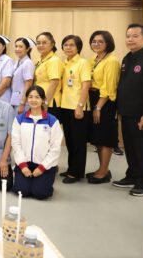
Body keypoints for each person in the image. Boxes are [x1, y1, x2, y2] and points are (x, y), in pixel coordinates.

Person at [113, 24, 143, 197]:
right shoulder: (127, 58)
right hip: (127, 112)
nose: (130, 39)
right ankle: (132, 175)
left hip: (142, 114)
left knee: (142, 148)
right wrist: (120, 109)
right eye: (128, 36)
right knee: (130, 147)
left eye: (135, 36)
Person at [11, 86, 63, 200]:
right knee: (21, 191)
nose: (33, 100)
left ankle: (42, 181)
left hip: (44, 164)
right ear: (26, 99)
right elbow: (16, 144)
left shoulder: (52, 121)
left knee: (40, 193)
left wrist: (42, 167)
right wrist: (23, 166)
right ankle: (27, 181)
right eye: (30, 97)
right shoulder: (19, 119)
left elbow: (55, 148)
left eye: (37, 97)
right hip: (24, 163)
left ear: (43, 100)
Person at [86, 30, 121, 184]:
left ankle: (104, 171)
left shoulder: (111, 61)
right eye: (94, 41)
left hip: (105, 102)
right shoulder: (93, 59)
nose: (96, 44)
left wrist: (98, 107)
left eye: (100, 41)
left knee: (105, 137)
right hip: (93, 98)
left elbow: (109, 88)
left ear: (108, 43)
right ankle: (102, 169)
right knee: (98, 137)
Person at [59, 35, 91, 184]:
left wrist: (80, 106)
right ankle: (71, 168)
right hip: (65, 106)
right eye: (65, 45)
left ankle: (76, 173)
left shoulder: (83, 63)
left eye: (72, 45)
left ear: (78, 47)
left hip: (78, 107)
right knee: (70, 141)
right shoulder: (64, 63)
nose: (68, 47)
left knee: (78, 142)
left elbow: (86, 85)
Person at [34, 32, 64, 118]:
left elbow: (54, 83)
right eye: (38, 43)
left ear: (52, 44)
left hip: (50, 103)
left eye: (44, 43)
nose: (41, 45)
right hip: (40, 100)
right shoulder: (40, 59)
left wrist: (45, 103)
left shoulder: (54, 60)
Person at [10, 37, 35, 114]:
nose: (17, 49)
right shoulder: (18, 62)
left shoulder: (27, 63)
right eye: (16, 46)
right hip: (15, 100)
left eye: (21, 47)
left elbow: (28, 84)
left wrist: (22, 103)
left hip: (22, 102)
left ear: (27, 49)